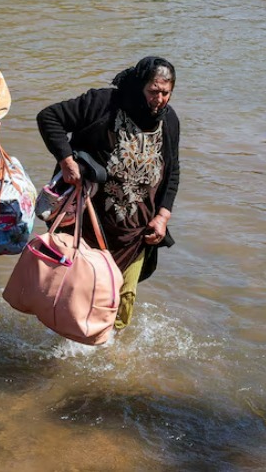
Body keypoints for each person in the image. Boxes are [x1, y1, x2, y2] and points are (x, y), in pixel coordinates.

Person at [36, 57, 180, 331]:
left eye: (166, 92)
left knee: (122, 301)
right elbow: (49, 117)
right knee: (78, 297)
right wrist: (67, 163)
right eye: (153, 91)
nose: (159, 99)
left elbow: (172, 171)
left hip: (136, 233)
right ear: (139, 86)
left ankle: (106, 357)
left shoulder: (169, 121)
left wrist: (162, 216)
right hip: (90, 225)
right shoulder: (103, 104)